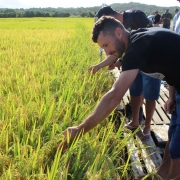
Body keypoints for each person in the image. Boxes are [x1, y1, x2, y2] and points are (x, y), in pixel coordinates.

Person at [61, 16, 180, 179]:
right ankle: (161, 176)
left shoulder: (137, 47)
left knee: (178, 149)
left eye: (106, 45)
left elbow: (114, 96)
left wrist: (79, 130)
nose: (107, 52)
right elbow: (173, 62)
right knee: (173, 134)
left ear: (118, 32)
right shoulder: (137, 39)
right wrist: (172, 95)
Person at [88, 6, 161, 140]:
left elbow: (148, 41)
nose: (106, 51)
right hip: (134, 63)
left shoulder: (135, 16)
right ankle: (135, 121)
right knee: (135, 92)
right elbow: (121, 49)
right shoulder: (118, 33)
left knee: (150, 94)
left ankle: (147, 126)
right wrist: (103, 65)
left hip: (151, 64)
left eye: (105, 45)